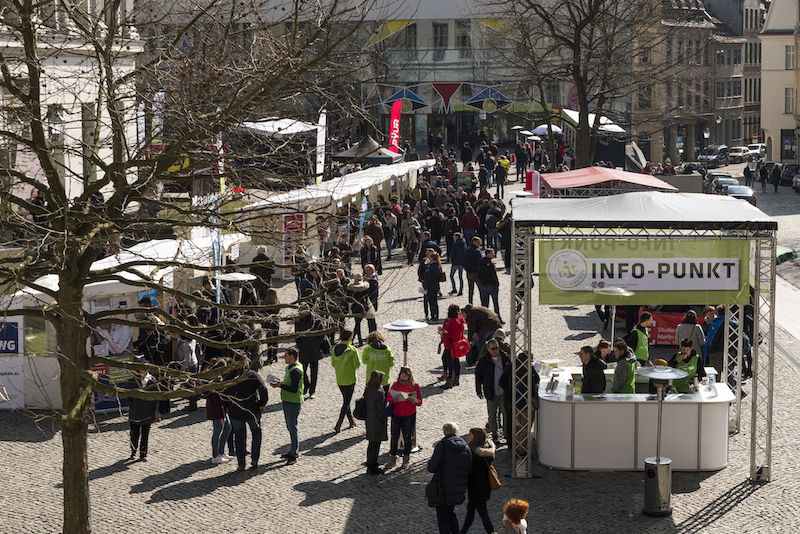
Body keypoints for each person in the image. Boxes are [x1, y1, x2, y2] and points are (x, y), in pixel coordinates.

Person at [427, 422, 473, 534]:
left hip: (442, 487)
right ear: (457, 432)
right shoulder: (466, 448)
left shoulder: (442, 446)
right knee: (450, 513)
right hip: (458, 488)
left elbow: (432, 467)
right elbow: (469, 468)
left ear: (444, 432)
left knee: (442, 516)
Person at [224, 362, 269, 471]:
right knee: (256, 433)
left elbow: (224, 394)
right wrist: (262, 404)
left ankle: (241, 464)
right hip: (252, 410)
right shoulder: (252, 375)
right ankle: (254, 459)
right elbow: (264, 390)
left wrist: (226, 406)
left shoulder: (230, 377)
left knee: (239, 437)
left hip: (235, 411)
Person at [270, 347, 303, 465]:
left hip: (293, 403)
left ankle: (294, 454)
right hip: (288, 401)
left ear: (292, 356)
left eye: (286, 355)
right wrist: (280, 384)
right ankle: (293, 451)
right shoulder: (289, 368)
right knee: (290, 428)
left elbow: (294, 389)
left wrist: (280, 385)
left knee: (292, 428)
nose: (284, 357)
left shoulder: (296, 371)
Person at [385, 366, 423, 470]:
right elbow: (389, 397)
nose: (404, 377)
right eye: (402, 375)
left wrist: (413, 400)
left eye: (406, 375)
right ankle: (392, 458)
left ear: (409, 376)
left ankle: (406, 459)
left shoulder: (414, 386)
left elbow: (419, 402)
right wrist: (394, 398)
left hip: (409, 415)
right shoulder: (395, 384)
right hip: (396, 414)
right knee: (394, 436)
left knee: (407, 437)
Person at [475, 338, 512, 444]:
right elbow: (478, 376)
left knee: (506, 413)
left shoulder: (505, 357)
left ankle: (506, 434)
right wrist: (478, 390)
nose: (496, 350)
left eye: (497, 348)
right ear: (488, 349)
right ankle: (494, 435)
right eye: (493, 348)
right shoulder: (483, 360)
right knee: (492, 415)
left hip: (504, 392)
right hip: (491, 392)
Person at [460, 427, 496, 534]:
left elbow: (470, 469)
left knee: (482, 513)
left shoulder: (473, 451)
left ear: (475, 437)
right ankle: (463, 531)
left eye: (470, 435)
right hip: (484, 486)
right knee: (471, 511)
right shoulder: (487, 449)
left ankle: (491, 532)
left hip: (476, 487)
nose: (468, 437)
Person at [330, 329, 361, 433]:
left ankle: (351, 420)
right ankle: (339, 423)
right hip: (350, 379)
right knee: (346, 402)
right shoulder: (352, 349)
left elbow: (333, 364)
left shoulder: (334, 349)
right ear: (350, 337)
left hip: (340, 379)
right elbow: (357, 365)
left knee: (346, 400)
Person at [124, 369, 159, 462]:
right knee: (134, 434)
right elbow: (127, 395)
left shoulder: (152, 380)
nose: (141, 372)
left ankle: (143, 454)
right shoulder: (132, 380)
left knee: (145, 434)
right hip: (135, 412)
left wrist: (152, 407)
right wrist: (132, 405)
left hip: (147, 412)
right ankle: (133, 451)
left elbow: (156, 396)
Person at [204, 359, 232, 465]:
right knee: (217, 432)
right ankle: (215, 456)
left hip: (221, 409)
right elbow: (217, 400)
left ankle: (221, 452)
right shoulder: (214, 382)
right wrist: (222, 415)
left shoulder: (217, 379)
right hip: (217, 410)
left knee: (228, 427)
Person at [363, 370, 389, 475]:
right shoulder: (379, 392)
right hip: (378, 421)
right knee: (376, 444)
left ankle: (370, 464)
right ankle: (373, 466)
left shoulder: (367, 389)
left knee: (371, 444)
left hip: (369, 420)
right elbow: (381, 409)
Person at [295, 309, 324, 399]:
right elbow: (296, 334)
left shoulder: (316, 319)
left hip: (314, 349)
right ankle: (307, 385)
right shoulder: (298, 320)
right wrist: (299, 345)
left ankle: (312, 391)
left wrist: (317, 344)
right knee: (302, 371)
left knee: (314, 372)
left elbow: (321, 333)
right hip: (303, 349)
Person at [440, 304, 466, 388]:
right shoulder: (458, 320)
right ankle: (455, 379)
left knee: (450, 362)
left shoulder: (454, 321)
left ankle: (450, 381)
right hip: (454, 344)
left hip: (451, 345)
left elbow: (453, 334)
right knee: (454, 361)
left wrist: (445, 332)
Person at [477, 248, 501, 319]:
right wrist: (497, 283)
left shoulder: (481, 262)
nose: (494, 254)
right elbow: (493, 275)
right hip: (492, 285)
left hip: (483, 285)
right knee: (495, 303)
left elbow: (478, 273)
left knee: (484, 304)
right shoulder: (489, 263)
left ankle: (484, 318)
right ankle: (497, 318)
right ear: (488, 254)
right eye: (492, 253)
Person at [423, 251, 444, 322]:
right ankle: (435, 316)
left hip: (430, 286)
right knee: (434, 302)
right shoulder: (438, 265)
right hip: (435, 286)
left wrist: (425, 286)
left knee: (432, 302)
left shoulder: (432, 266)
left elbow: (429, 277)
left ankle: (434, 317)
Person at [463, 236, 484, 305]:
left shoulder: (466, 250)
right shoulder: (477, 251)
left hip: (469, 273)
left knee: (470, 290)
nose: (479, 244)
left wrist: (466, 269)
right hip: (476, 273)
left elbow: (463, 262)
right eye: (478, 242)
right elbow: (481, 263)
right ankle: (483, 304)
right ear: (474, 242)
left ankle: (470, 304)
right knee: (481, 290)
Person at [263, 288, 280, 364]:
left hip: (268, 324)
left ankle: (270, 357)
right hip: (275, 323)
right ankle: (275, 356)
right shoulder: (277, 303)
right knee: (275, 340)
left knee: (269, 341)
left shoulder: (265, 303)